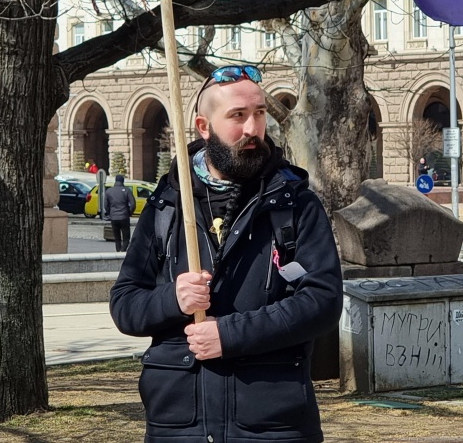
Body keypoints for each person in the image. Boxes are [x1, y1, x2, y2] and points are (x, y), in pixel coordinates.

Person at [110, 65, 343, 442]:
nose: (253, 128)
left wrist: (229, 335)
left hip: (272, 426)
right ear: (204, 127)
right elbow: (125, 305)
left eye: (260, 113)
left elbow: (323, 302)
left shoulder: (294, 202)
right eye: (238, 116)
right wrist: (173, 298)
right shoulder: (168, 203)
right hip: (178, 426)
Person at [106, 174, 136, 253]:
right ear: (123, 181)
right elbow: (133, 204)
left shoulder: (109, 191)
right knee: (126, 238)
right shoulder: (126, 190)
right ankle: (122, 252)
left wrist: (110, 213)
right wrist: (129, 212)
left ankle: (118, 251)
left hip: (113, 217)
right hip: (124, 216)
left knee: (117, 238)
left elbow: (105, 205)